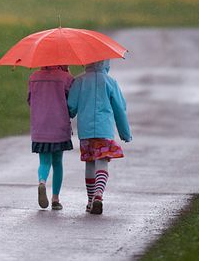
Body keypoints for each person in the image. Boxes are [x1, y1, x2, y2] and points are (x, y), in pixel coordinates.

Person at [67, 60, 131, 215]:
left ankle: (90, 201)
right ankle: (98, 196)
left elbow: (71, 107)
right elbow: (119, 109)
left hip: (86, 131)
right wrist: (125, 132)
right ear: (106, 63)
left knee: (89, 163)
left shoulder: (79, 80)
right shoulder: (110, 82)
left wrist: (72, 112)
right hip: (104, 130)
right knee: (102, 162)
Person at [28, 65, 74, 210]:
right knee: (58, 163)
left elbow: (30, 100)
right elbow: (71, 103)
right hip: (58, 126)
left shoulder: (34, 77)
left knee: (44, 161)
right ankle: (55, 199)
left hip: (40, 127)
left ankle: (42, 181)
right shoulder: (65, 78)